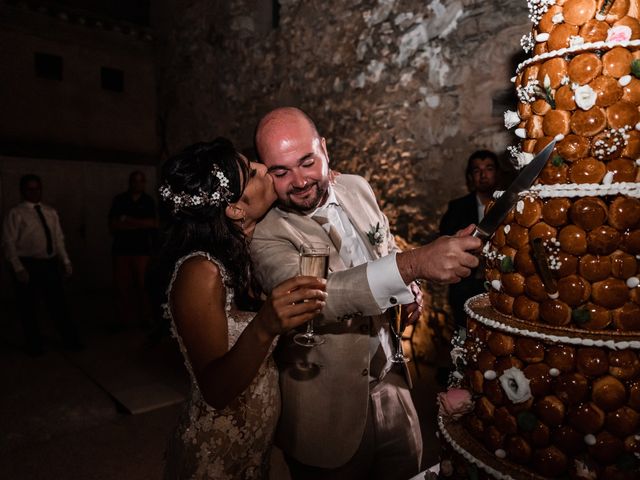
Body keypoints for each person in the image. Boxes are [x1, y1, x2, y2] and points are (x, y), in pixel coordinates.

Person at [250, 107, 481, 480]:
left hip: (393, 382)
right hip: (324, 412)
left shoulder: (356, 187)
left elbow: (383, 251)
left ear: (325, 149)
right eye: (281, 171)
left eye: (307, 162)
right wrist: (414, 264)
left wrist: (408, 292)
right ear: (265, 172)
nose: (298, 180)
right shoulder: (266, 233)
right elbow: (318, 298)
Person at [159, 138, 328, 479]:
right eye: (252, 173)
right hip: (218, 451)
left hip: (256, 443)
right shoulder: (200, 272)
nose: (264, 168)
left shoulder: (244, 251)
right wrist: (265, 325)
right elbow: (215, 390)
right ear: (235, 209)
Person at [1, 174, 81, 356]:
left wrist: (66, 261)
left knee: (58, 303)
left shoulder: (50, 211)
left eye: (38, 188)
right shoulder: (16, 213)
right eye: (30, 189)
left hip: (49, 263)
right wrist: (18, 268)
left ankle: (70, 339)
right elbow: (8, 242)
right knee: (28, 306)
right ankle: (34, 344)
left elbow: (58, 238)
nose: (35, 192)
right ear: (23, 191)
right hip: (28, 263)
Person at [439, 150, 499, 327]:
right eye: (476, 170)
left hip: (500, 286)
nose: (483, 174)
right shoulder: (457, 207)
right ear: (470, 177)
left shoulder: (510, 206)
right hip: (466, 287)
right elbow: (446, 242)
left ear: (497, 173)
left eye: (489, 168)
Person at [108, 171, 157, 329]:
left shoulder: (148, 201)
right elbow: (114, 225)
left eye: (141, 181)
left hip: (142, 251)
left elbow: (152, 224)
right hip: (121, 250)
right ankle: (122, 320)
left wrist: (127, 220)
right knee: (122, 287)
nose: (138, 184)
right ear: (130, 182)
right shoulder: (120, 200)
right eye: (135, 181)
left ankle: (145, 319)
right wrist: (140, 223)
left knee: (143, 287)